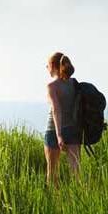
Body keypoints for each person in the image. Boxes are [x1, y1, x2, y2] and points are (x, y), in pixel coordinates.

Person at [44, 52, 81, 186]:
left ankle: (55, 204)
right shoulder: (74, 84)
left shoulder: (52, 86)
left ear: (53, 66)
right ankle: (78, 203)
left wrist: (59, 135)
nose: (46, 68)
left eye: (47, 65)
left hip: (53, 131)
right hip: (72, 129)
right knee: (76, 174)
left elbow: (56, 110)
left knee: (52, 175)